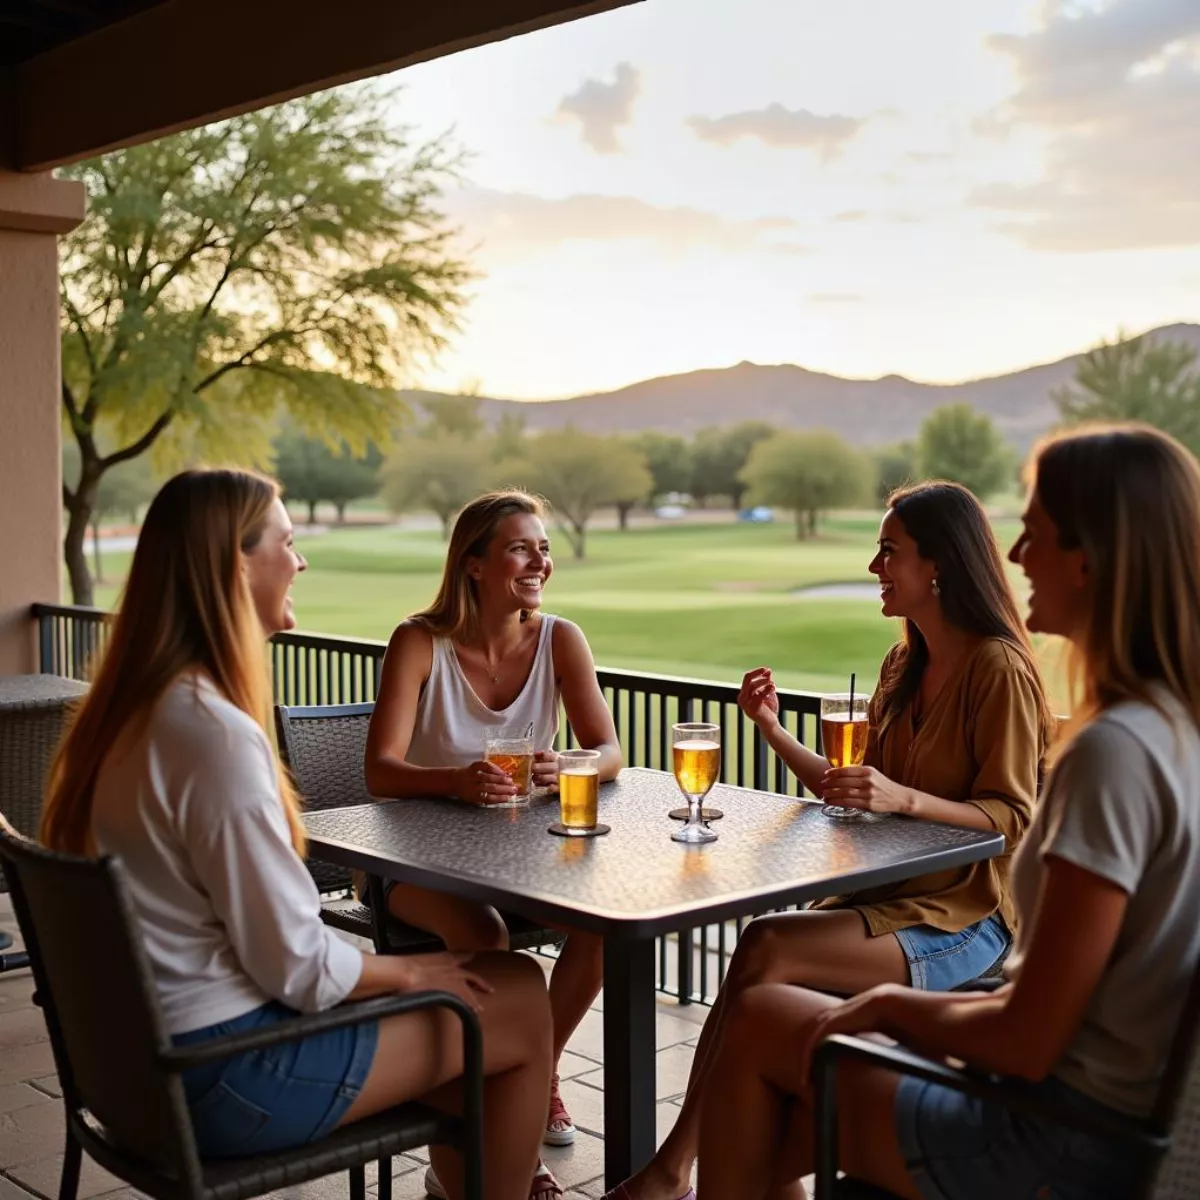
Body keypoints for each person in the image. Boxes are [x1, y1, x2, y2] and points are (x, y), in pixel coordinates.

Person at [695, 422, 1200, 1199]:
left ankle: (666, 1176)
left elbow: (1028, 1040)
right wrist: (772, 730)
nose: (1018, 556)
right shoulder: (1171, 733)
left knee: (762, 1023)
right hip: (1091, 1117)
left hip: (1047, 1137)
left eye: (1034, 534)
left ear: (1095, 557)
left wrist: (889, 1006)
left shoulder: (1112, 753)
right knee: (763, 1106)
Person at [39, 469, 555, 1200]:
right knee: (518, 998)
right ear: (233, 565)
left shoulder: (126, 715)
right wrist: (410, 974)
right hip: (224, 1078)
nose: (301, 560)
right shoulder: (211, 735)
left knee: (484, 1014)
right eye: (288, 541)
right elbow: (300, 968)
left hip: (130, 1073)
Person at [611, 481, 1053, 1200]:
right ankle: (720, 1178)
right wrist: (773, 730)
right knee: (769, 960)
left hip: (964, 920)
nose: (876, 565)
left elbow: (1014, 819)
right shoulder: (900, 666)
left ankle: (670, 1170)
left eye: (890, 552)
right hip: (887, 900)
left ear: (939, 564)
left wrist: (905, 796)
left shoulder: (997, 668)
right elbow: (851, 787)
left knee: (765, 947)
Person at [365, 489, 622, 1171]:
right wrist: (453, 779)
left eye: (543, 547)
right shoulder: (418, 641)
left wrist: (567, 764)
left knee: (604, 926)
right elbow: (381, 771)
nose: (540, 559)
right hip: (411, 863)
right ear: (473, 564)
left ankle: (537, 1070)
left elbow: (610, 750)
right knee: (488, 938)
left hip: (516, 856)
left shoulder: (562, 639)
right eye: (520, 547)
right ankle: (508, 1112)